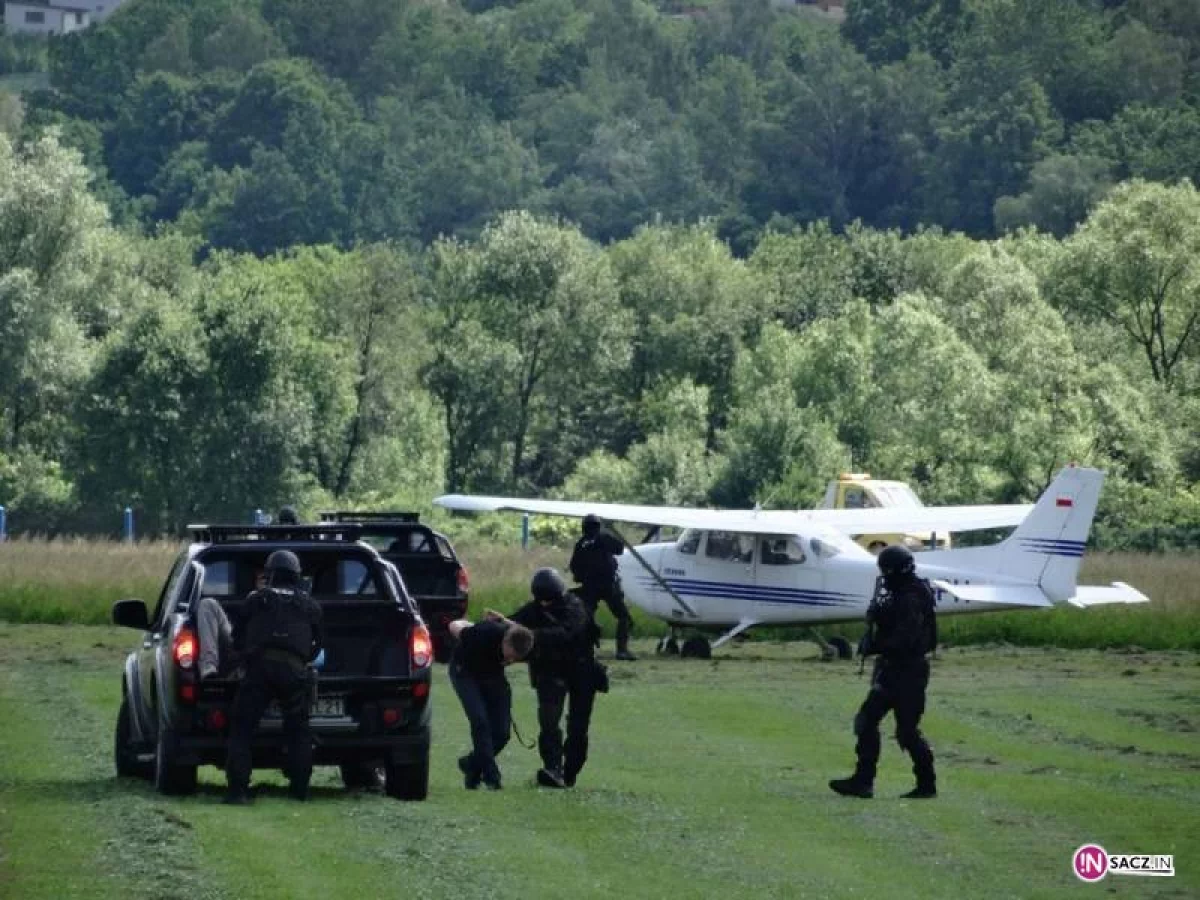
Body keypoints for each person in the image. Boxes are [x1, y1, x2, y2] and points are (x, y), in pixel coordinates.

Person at [830, 545, 938, 800]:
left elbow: (905, 639)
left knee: (902, 730)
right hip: (900, 670)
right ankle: (866, 780)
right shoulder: (909, 592)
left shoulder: (909, 598)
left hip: (905, 671)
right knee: (872, 722)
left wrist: (876, 643)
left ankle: (922, 784)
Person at [224, 550, 324, 805]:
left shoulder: (256, 600)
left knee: (242, 729)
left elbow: (237, 638)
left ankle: (238, 792)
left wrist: (245, 657)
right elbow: (318, 644)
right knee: (299, 730)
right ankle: (300, 790)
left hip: (259, 670)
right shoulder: (309, 605)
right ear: (296, 575)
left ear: (270, 574)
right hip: (294, 671)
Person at [492, 568, 602, 789]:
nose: (544, 606)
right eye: (541, 601)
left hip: (582, 671)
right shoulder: (534, 609)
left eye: (548, 601)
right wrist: (500, 624)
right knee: (548, 721)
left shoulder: (575, 607)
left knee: (578, 726)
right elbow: (515, 622)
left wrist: (530, 634)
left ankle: (570, 771)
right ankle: (553, 768)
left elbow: (566, 633)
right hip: (550, 671)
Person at [447, 617, 534, 790]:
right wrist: (462, 624)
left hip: (492, 675)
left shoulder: (526, 644)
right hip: (465, 672)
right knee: (479, 721)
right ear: (505, 642)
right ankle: (491, 776)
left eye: (515, 660)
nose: (510, 661)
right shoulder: (485, 632)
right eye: (510, 656)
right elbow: (454, 625)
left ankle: (471, 765)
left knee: (502, 732)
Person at [570, 513, 636, 661]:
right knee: (623, 617)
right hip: (608, 586)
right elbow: (619, 548)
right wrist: (609, 532)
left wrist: (583, 576)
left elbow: (574, 567)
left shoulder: (580, 544)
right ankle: (622, 651)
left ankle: (585, 650)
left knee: (587, 618)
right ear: (598, 526)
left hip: (589, 587)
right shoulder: (603, 538)